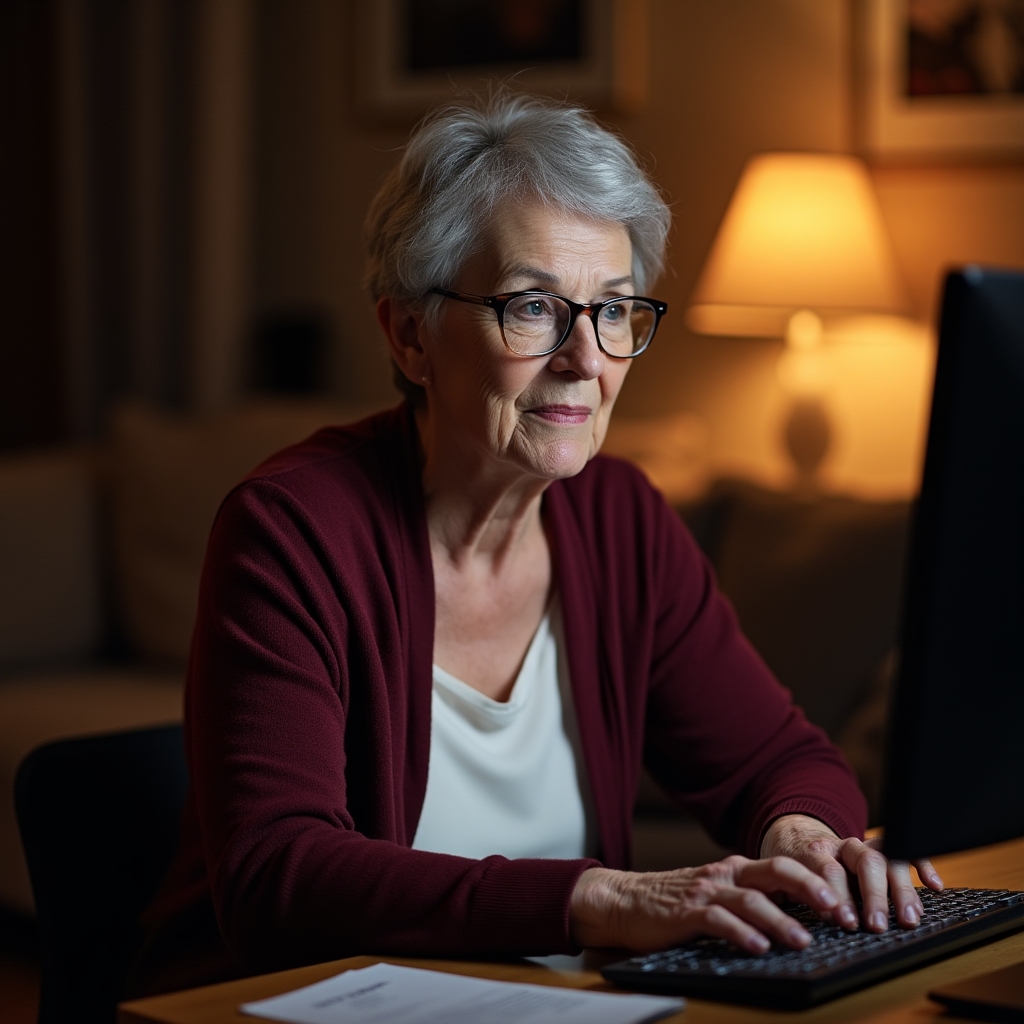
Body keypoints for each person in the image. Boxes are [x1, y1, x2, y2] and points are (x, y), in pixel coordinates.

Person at [130, 93, 941, 996]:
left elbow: (780, 762)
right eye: (531, 309)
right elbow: (280, 876)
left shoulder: (622, 520)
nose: (585, 360)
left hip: (558, 1006)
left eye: (616, 311)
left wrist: (805, 838)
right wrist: (602, 900)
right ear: (409, 335)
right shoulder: (292, 531)